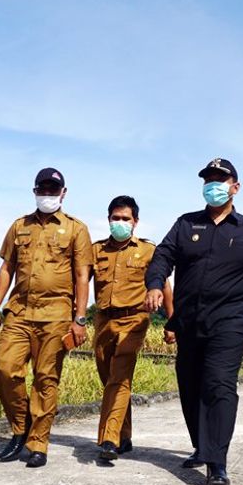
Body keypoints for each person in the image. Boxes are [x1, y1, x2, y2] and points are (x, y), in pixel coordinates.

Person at [145, 158, 243, 485]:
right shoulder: (186, 223)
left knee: (218, 385)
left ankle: (217, 463)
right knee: (190, 386)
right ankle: (202, 446)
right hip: (189, 321)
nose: (214, 184)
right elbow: (162, 256)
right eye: (209, 179)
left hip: (229, 321)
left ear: (235, 186)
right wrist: (156, 283)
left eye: (221, 179)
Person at [0, 167, 93, 468]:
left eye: (53, 189)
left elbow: (83, 275)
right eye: (42, 189)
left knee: (46, 378)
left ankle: (38, 443)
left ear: (64, 192)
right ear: (35, 192)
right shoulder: (19, 226)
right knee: (3, 368)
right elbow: (6, 269)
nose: (48, 194)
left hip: (57, 314)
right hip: (19, 310)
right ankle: (21, 428)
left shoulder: (76, 229)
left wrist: (80, 318)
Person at [90, 195, 175, 461]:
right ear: (108, 220)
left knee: (119, 376)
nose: (120, 223)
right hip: (103, 320)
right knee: (110, 380)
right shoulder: (96, 250)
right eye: (116, 218)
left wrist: (173, 321)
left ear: (135, 222)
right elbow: (81, 281)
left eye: (125, 219)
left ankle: (108, 439)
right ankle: (124, 435)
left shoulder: (149, 251)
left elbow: (164, 286)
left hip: (134, 320)